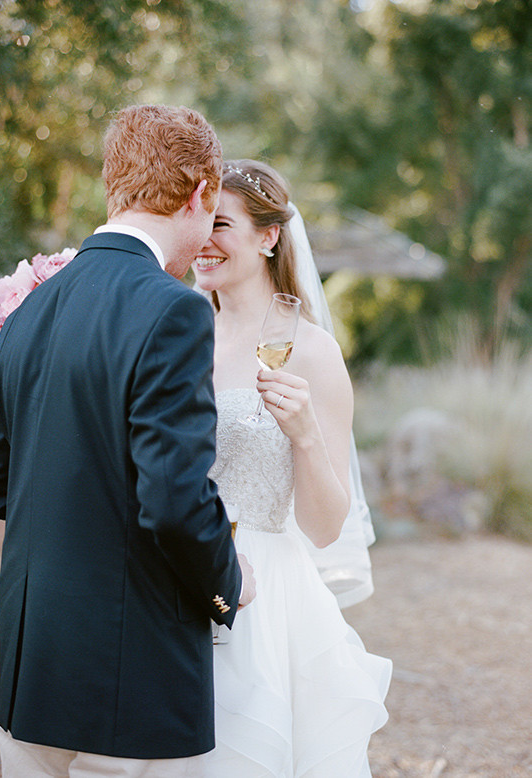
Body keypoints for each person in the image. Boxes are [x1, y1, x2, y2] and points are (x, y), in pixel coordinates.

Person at [0, 105, 256, 778]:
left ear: (116, 185)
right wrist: (229, 582)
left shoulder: (30, 307)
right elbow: (173, 501)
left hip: (28, 671)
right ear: (198, 195)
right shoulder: (173, 309)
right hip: (124, 684)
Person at [192, 160, 392, 777]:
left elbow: (327, 527)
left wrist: (304, 435)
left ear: (269, 236)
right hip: (176, 569)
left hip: (264, 597)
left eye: (221, 223)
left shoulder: (310, 350)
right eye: (198, 222)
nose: (204, 239)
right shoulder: (182, 331)